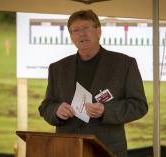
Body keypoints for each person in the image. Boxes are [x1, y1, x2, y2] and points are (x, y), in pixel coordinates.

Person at [38, 9, 148, 157]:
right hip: (67, 149)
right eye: (75, 30)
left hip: (107, 149)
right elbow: (46, 106)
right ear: (71, 36)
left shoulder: (124, 64)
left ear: (99, 31)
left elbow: (139, 106)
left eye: (86, 28)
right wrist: (56, 111)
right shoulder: (57, 68)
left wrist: (106, 110)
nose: (81, 34)